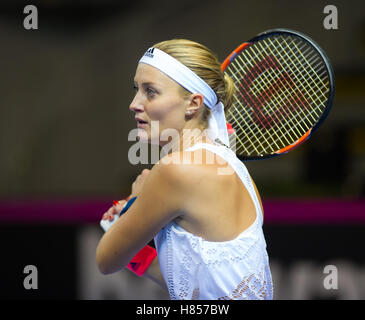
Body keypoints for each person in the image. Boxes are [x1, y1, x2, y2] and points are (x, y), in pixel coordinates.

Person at [96, 39, 273, 300]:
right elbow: (199, 289)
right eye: (137, 89)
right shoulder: (236, 169)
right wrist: (130, 222)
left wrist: (135, 201)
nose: (135, 103)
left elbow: (105, 262)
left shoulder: (175, 171)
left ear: (193, 103)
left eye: (151, 91)